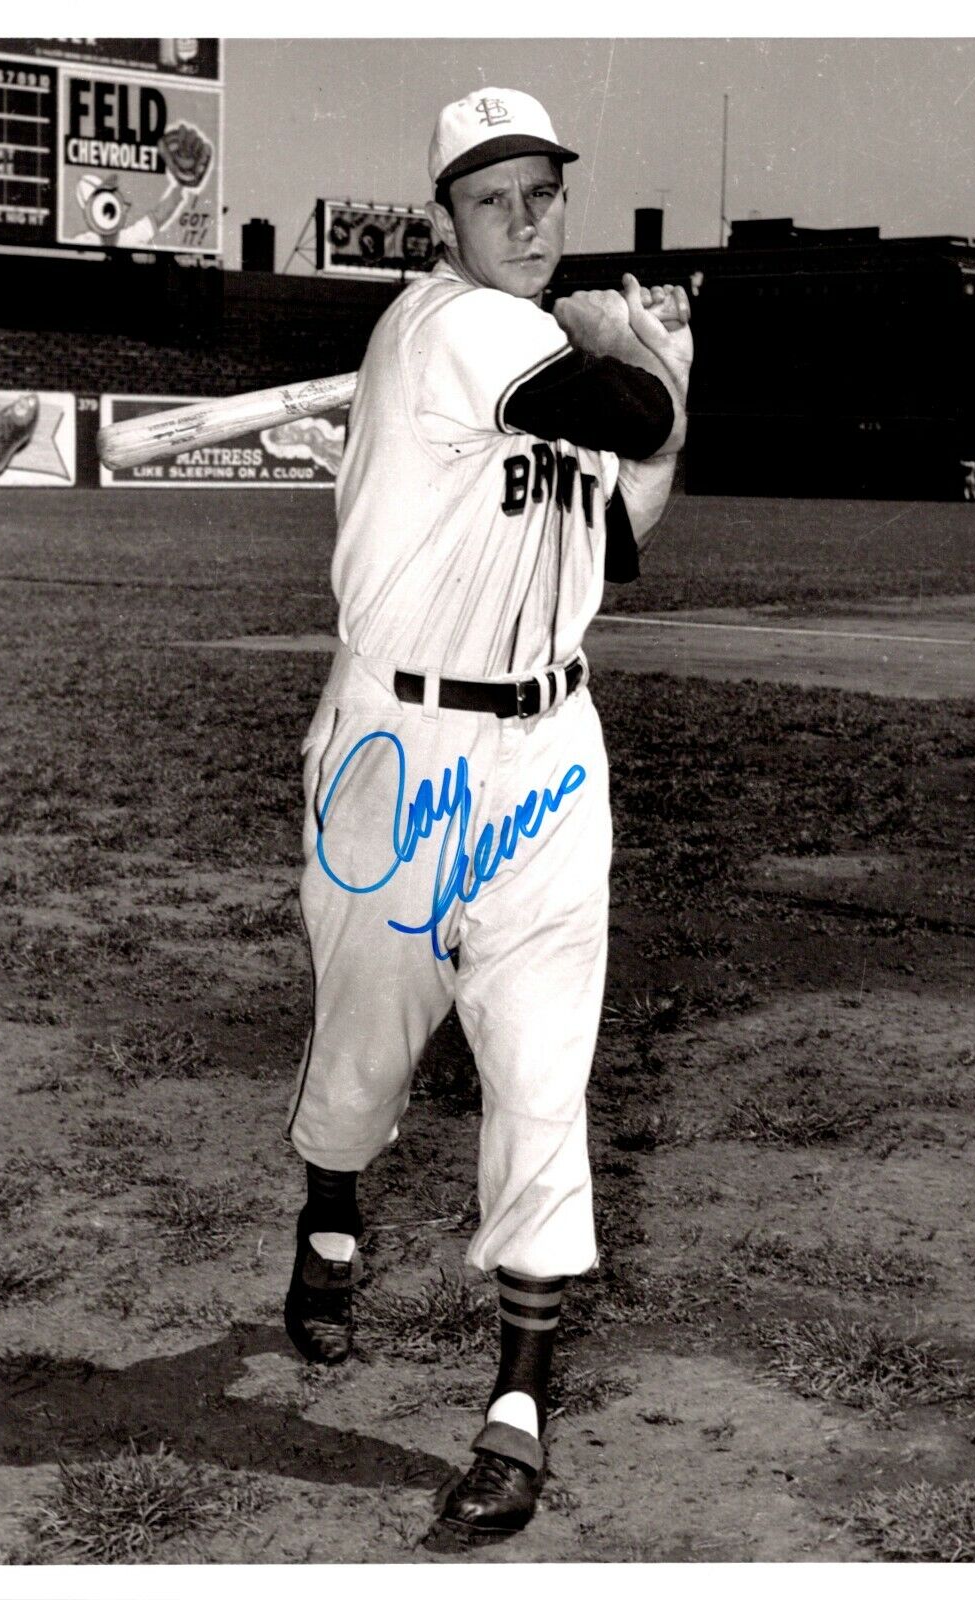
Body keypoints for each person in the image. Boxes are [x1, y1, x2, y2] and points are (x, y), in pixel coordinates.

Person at [283, 86, 693, 1538]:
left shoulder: (531, 353)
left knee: (538, 1081)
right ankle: (329, 1214)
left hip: (547, 758)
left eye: (546, 193)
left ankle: (516, 1406)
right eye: (494, 197)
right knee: (360, 1069)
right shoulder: (452, 327)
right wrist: (631, 355)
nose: (529, 220)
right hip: (394, 755)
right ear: (444, 222)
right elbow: (621, 399)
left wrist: (660, 386)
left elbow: (624, 524)